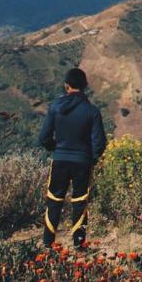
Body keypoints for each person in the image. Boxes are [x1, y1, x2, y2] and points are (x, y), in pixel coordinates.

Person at [38, 68, 107, 247]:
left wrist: (57, 149)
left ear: (66, 86)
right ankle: (78, 243)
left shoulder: (55, 107)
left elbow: (44, 138)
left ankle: (48, 244)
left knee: (53, 201)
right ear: (85, 86)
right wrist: (91, 158)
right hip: (82, 162)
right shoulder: (92, 111)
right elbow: (99, 143)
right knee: (79, 201)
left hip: (60, 160)